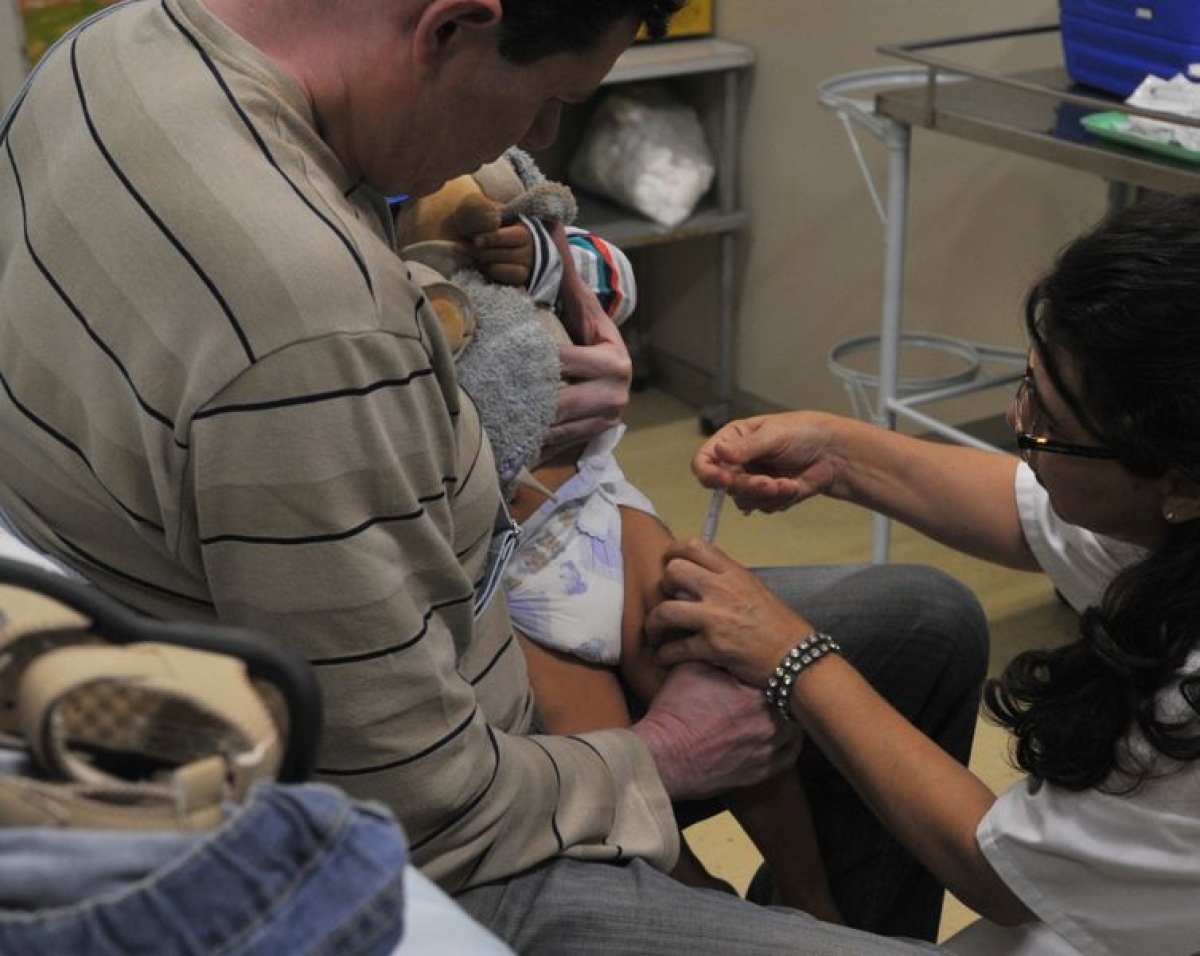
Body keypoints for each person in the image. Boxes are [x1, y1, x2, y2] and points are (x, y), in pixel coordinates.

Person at [0, 1, 987, 951]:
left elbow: (312, 429)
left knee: (926, 620)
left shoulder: (112, 48)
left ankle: (806, 915)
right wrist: (664, 754)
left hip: (382, 635)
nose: (545, 133)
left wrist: (481, 403)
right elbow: (421, 808)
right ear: (452, 26)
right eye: (551, 95)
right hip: (440, 829)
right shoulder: (308, 319)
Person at [647, 194, 1200, 955]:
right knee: (927, 612)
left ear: (1178, 485)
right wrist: (836, 449)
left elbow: (997, 873)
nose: (1019, 425)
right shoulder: (1171, 514)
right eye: (1029, 382)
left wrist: (792, 656)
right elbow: (1029, 511)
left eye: (1051, 426)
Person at [447, 171, 840, 918]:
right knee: (607, 756)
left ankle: (816, 903)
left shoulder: (497, 187)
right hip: (500, 560)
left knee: (720, 666)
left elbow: (615, 280)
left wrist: (548, 259)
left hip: (591, 505)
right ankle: (705, 905)